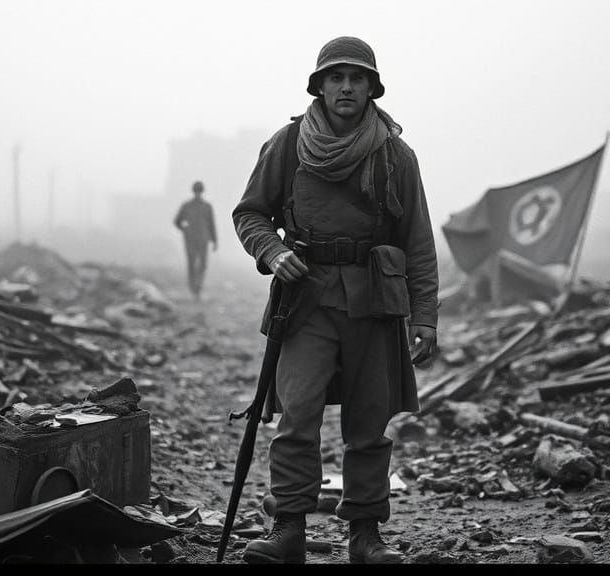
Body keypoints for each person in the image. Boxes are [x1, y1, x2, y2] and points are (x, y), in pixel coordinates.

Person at [232, 36, 439, 564]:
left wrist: (426, 318)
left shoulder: (396, 154)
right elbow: (250, 213)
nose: (346, 87)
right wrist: (273, 253)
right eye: (335, 78)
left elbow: (417, 239)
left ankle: (365, 536)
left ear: (371, 86)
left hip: (375, 299)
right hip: (305, 299)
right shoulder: (289, 143)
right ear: (320, 85)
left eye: (357, 78)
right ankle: (289, 530)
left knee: (369, 424)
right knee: (296, 415)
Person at [174, 180, 217, 299]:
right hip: (190, 240)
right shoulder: (186, 206)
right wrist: (185, 230)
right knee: (191, 263)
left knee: (202, 264)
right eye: (196, 191)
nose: (198, 193)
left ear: (201, 192)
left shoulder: (207, 207)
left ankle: (198, 287)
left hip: (203, 239)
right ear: (194, 191)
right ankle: (193, 287)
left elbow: (211, 224)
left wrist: (215, 240)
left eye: (199, 191)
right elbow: (177, 221)